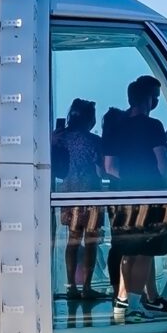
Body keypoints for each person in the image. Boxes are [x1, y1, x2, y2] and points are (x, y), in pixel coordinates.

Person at [97, 75, 167, 313]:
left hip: (122, 199)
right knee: (145, 253)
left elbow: (110, 167)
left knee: (128, 252)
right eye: (155, 97)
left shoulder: (115, 125)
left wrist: (129, 183)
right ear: (148, 99)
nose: (156, 102)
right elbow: (161, 165)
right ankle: (136, 308)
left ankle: (123, 304)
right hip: (151, 198)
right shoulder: (153, 126)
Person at [51, 100, 106, 305]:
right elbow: (102, 169)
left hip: (68, 194)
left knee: (72, 241)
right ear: (89, 119)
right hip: (91, 194)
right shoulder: (95, 141)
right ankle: (87, 287)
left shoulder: (61, 138)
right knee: (91, 242)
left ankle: (71, 286)